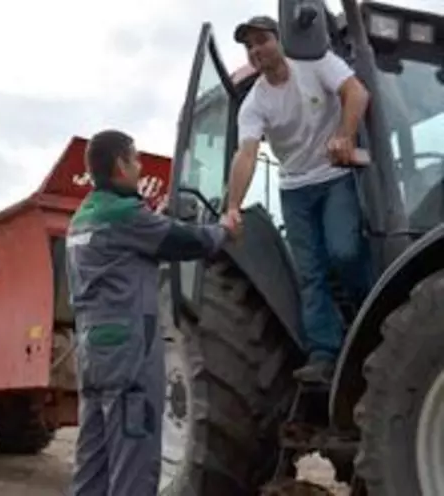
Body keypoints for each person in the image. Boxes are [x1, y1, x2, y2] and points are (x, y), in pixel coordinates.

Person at [65, 129, 235, 495]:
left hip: (92, 352)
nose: (141, 168)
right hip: (130, 354)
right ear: (119, 165)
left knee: (92, 465)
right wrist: (223, 229)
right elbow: (188, 241)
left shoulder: (81, 218)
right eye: (136, 159)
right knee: (134, 464)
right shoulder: (126, 215)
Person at [224, 15, 374, 384]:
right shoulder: (255, 103)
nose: (256, 50)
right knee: (309, 272)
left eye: (262, 40)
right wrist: (231, 207)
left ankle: (369, 313)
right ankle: (324, 352)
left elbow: (357, 93)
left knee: (345, 251)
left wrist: (345, 135)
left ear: (281, 39)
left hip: (334, 176)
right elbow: (246, 154)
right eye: (249, 46)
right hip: (294, 189)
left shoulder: (317, 63)